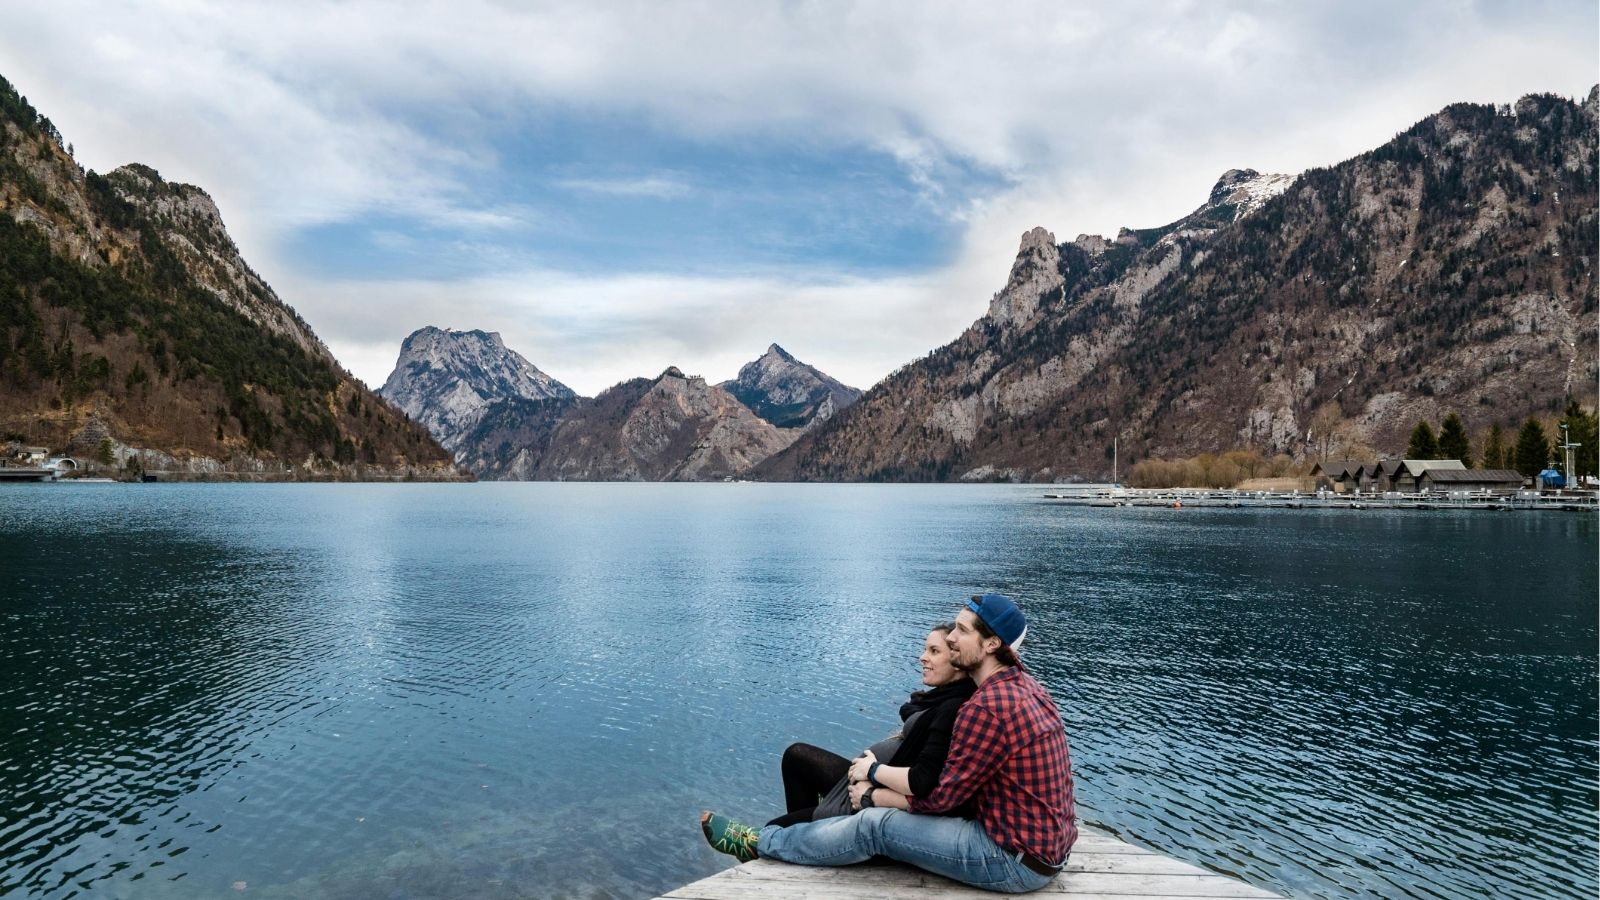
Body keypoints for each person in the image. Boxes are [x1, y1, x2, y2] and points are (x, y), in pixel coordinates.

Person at [701, 593, 1077, 894]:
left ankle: (759, 844)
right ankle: (788, 846)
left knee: (874, 826)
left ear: (992, 643)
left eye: (962, 631)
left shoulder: (987, 707)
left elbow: (940, 798)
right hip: (1042, 849)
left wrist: (873, 794)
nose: (951, 637)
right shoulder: (1024, 686)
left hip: (1010, 860)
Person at [767, 622, 976, 828]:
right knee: (796, 756)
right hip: (870, 781)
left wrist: (872, 774)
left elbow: (924, 780)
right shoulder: (939, 699)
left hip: (871, 795)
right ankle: (807, 834)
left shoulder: (952, 708)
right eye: (925, 649)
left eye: (934, 651)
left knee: (774, 829)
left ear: (957, 659)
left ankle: (809, 832)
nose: (922, 657)